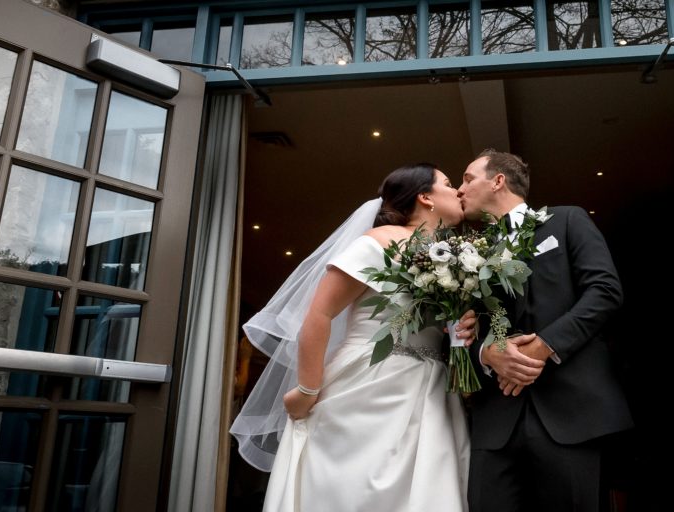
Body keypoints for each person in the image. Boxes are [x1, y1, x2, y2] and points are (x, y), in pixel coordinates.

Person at [230, 163, 470, 511]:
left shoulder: (456, 256)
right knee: (355, 487)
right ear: (425, 197)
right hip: (370, 377)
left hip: (432, 387)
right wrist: (308, 389)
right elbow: (319, 314)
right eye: (449, 184)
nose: (458, 191)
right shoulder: (377, 243)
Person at [455, 149, 633, 512]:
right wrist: (486, 355)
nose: (460, 190)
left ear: (498, 180)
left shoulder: (567, 220)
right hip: (495, 423)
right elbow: (461, 331)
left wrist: (544, 346)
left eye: (468, 179)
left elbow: (604, 291)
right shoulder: (465, 254)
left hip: (571, 413)